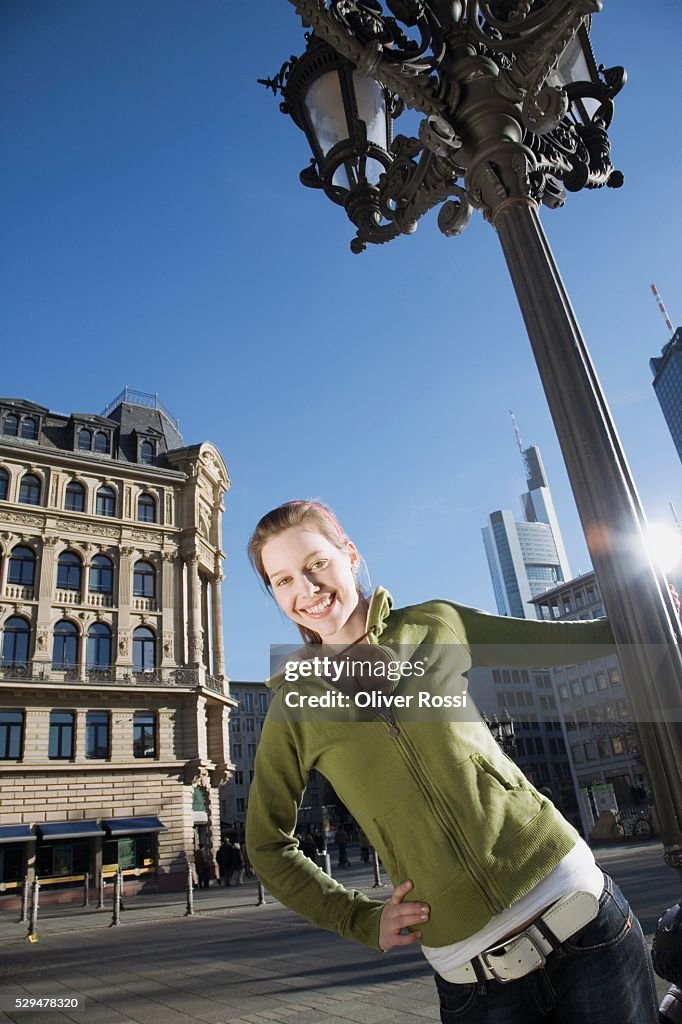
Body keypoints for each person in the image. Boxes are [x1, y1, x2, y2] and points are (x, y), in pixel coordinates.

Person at [245, 500, 659, 1024]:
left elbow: (561, 643)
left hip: (584, 919)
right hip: (477, 985)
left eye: (316, 564)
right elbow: (265, 843)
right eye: (281, 580)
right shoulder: (293, 707)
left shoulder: (436, 624)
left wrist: (651, 616)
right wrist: (356, 918)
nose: (305, 590)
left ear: (349, 554)